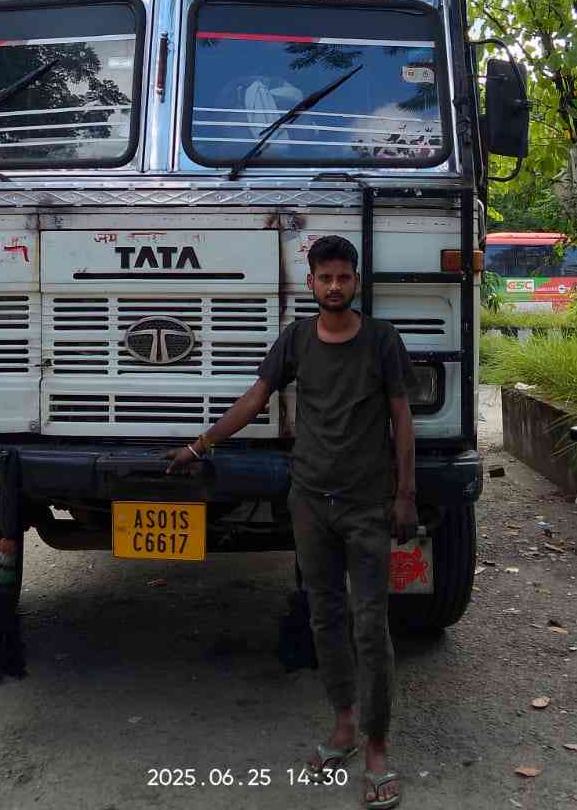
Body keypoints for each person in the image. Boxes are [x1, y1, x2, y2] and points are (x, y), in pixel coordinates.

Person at [167, 234, 418, 809]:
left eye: (343, 277)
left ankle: (378, 748)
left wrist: (405, 494)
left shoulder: (382, 340)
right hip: (309, 501)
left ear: (356, 282)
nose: (334, 286)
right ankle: (344, 726)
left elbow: (402, 420)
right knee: (324, 617)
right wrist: (199, 445)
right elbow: (254, 400)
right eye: (324, 277)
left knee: (370, 623)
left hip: (366, 504)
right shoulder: (297, 339)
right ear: (310, 283)